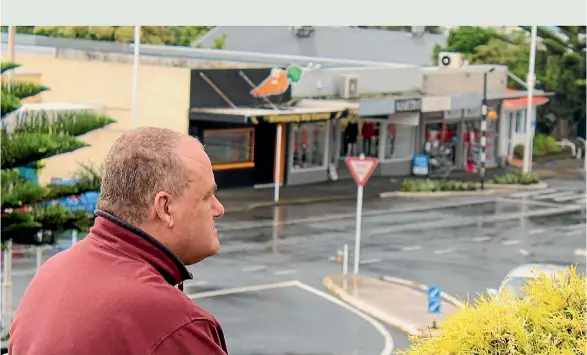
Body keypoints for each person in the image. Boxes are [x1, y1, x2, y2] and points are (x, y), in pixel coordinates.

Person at [9, 127, 228, 355]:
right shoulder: (174, 325)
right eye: (206, 197)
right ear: (165, 208)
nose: (218, 209)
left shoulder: (50, 274)